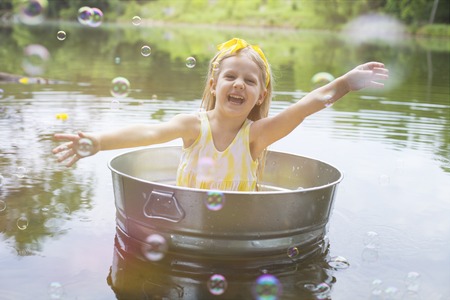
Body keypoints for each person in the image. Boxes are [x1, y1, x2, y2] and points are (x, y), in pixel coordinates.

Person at [52, 37, 389, 191]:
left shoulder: (257, 135)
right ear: (214, 84)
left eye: (249, 80)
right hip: (190, 221)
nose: (239, 84)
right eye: (230, 77)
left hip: (240, 231)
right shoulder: (192, 126)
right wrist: (96, 141)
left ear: (261, 95)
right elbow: (147, 133)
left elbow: (305, 107)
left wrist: (346, 81)